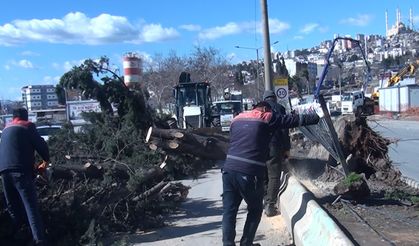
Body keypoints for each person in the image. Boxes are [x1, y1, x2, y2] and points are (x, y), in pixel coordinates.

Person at [222, 101, 319, 246]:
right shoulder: (266, 117)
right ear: (266, 109)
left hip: (228, 170)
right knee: (255, 210)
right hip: (249, 172)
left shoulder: (236, 119)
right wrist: (316, 117)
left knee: (229, 210)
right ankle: (246, 243)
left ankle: (227, 244)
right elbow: (293, 120)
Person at [0, 108, 49, 246]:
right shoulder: (27, 126)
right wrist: (46, 160)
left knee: (13, 206)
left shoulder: (6, 129)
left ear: (13, 117)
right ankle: (39, 240)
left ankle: (14, 237)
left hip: (4, 172)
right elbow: (41, 146)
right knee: (30, 206)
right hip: (21, 172)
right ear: (25, 117)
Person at [262, 90, 291, 217]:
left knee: (263, 174)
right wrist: (286, 148)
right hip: (274, 145)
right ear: (275, 98)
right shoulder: (280, 108)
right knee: (274, 176)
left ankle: (264, 199)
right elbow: (284, 129)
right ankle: (270, 205)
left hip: (259, 146)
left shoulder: (258, 109)